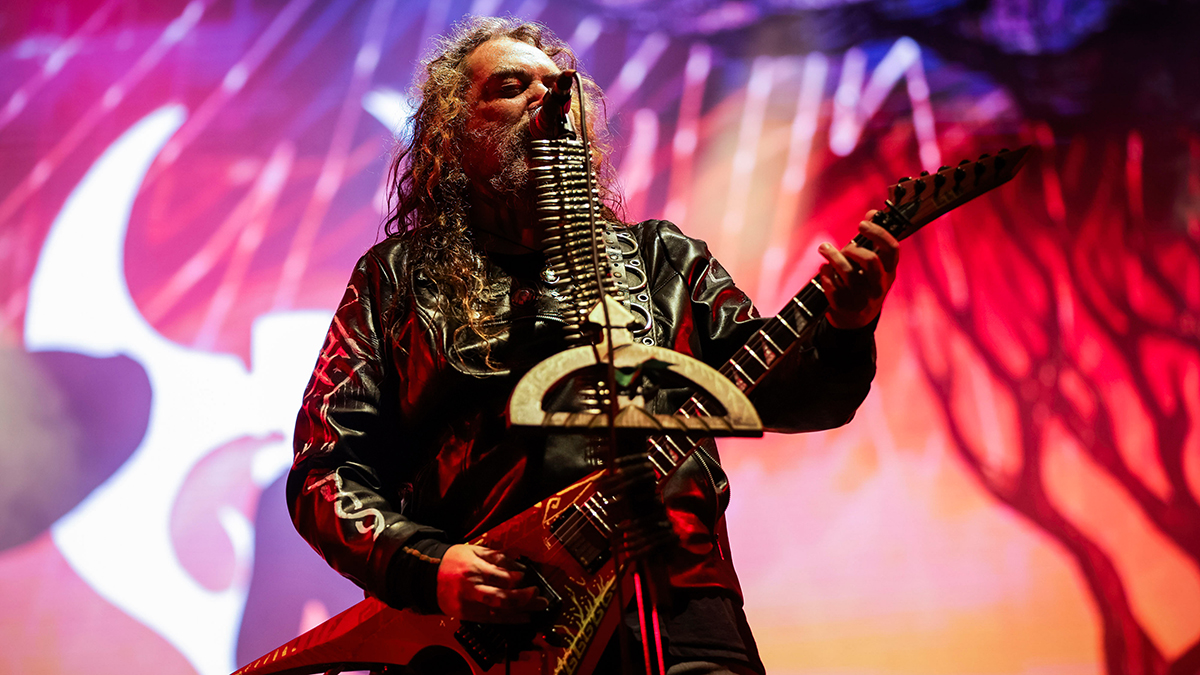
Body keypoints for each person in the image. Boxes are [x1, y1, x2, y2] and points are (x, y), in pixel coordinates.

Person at [288, 16, 898, 675]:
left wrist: (846, 325)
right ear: (451, 132)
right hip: (497, 632)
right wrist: (430, 565)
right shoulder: (396, 279)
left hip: (680, 612)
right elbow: (326, 471)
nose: (545, 98)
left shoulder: (663, 261)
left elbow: (790, 397)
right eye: (512, 85)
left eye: (559, 87)